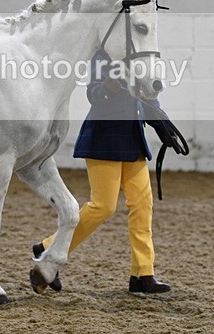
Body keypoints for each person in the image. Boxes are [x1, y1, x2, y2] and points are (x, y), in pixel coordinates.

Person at [33, 49, 180, 294]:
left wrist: (164, 126)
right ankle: (50, 247)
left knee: (143, 205)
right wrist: (108, 87)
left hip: (133, 143)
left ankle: (143, 274)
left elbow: (148, 98)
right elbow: (94, 94)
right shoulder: (102, 57)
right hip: (104, 142)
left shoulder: (141, 60)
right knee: (103, 206)